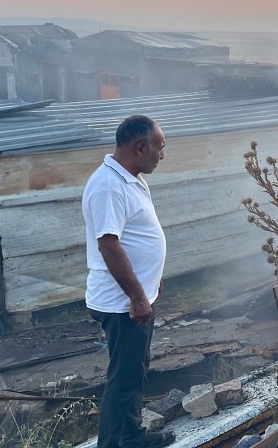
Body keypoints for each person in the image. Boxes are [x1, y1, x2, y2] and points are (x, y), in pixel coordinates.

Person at [83, 115, 174, 448]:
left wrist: (151, 281)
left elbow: (137, 236)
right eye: (160, 147)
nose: (162, 154)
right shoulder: (108, 186)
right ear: (140, 147)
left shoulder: (130, 179)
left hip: (133, 295)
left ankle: (131, 436)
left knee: (133, 372)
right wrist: (137, 296)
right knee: (123, 379)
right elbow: (108, 244)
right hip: (121, 302)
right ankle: (114, 444)